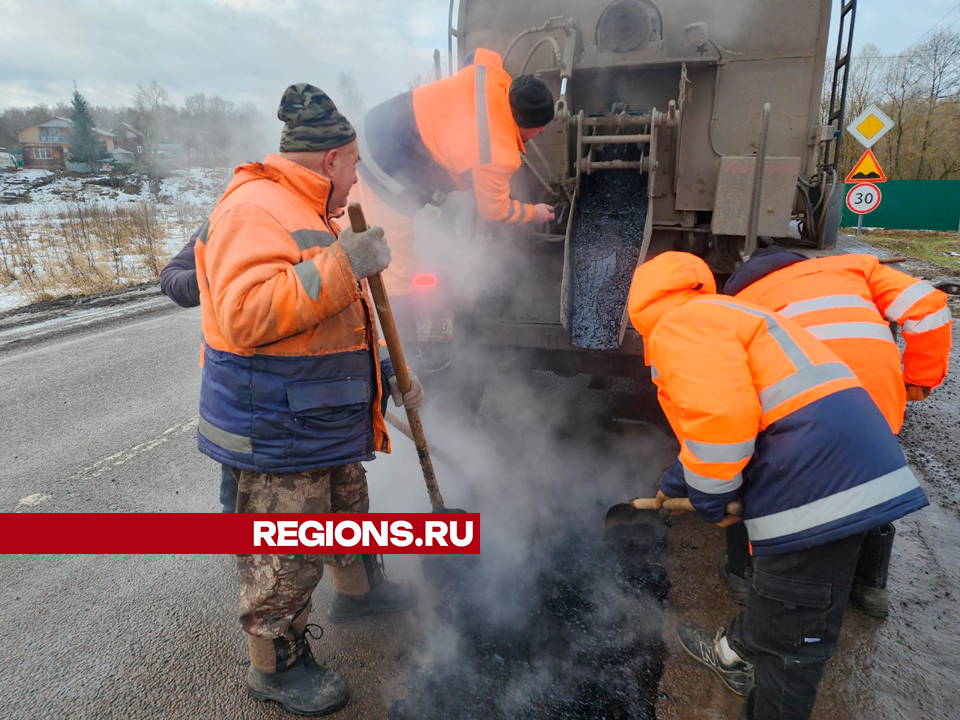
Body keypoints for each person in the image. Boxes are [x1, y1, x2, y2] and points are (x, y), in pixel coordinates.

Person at [195, 83, 422, 717]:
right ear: (332, 160)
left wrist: (384, 369)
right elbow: (245, 313)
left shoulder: (310, 206)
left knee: (348, 506)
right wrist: (345, 265)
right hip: (277, 423)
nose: (357, 180)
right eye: (355, 166)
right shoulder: (254, 208)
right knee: (285, 552)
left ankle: (358, 588)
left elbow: (337, 318)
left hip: (320, 412)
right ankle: (275, 663)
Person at [626, 251, 928, 720]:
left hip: (817, 487)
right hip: (842, 470)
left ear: (639, 308)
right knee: (792, 607)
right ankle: (738, 649)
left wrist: (711, 499)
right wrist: (677, 482)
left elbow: (721, 421)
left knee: (793, 647)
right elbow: (736, 404)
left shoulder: (679, 326)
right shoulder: (732, 314)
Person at [719, 248, 951, 617]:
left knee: (762, 480)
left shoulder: (744, 303)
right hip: (872, 394)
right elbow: (929, 305)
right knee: (869, 473)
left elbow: (731, 383)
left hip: (802, 402)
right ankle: (869, 587)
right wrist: (919, 378)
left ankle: (746, 576)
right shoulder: (854, 267)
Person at [354, 48, 557, 340]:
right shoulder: (497, 153)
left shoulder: (490, 74)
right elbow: (495, 210)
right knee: (392, 274)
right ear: (527, 125)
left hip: (372, 127)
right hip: (382, 173)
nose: (540, 134)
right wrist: (533, 212)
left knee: (350, 242)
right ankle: (396, 358)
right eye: (539, 129)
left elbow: (479, 53)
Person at [160, 229, 241, 514]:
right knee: (237, 466)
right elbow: (171, 277)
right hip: (235, 379)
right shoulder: (225, 219)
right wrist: (211, 276)